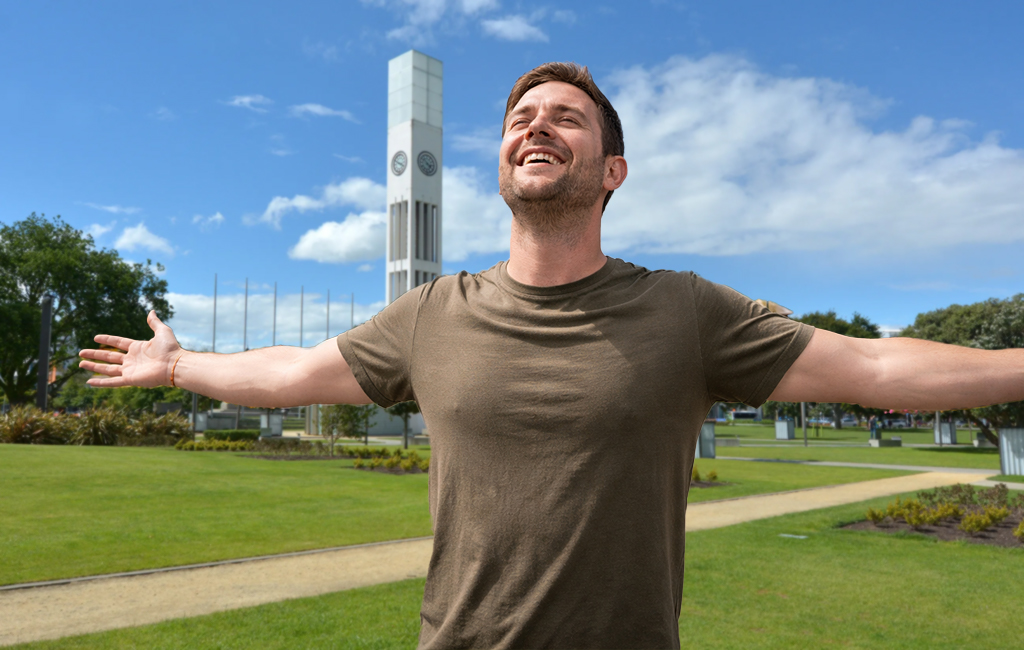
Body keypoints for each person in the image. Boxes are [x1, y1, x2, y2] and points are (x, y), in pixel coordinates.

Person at [79, 62, 1024, 649]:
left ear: (611, 171)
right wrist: (175, 368)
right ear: (501, 162)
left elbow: (877, 371)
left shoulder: (687, 310)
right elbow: (288, 378)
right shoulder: (433, 312)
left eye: (566, 118)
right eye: (521, 118)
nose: (537, 126)